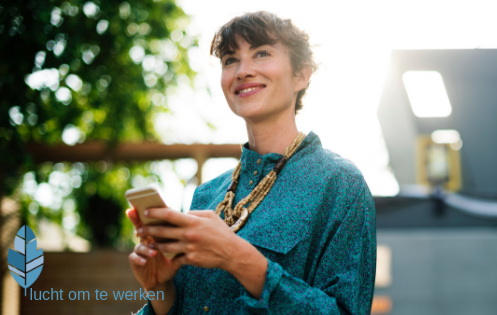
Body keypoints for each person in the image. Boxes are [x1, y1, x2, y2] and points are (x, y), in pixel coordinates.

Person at [127, 11, 377, 315]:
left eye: (261, 53)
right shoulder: (206, 196)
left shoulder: (340, 184)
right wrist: (160, 290)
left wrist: (237, 257)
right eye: (231, 59)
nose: (243, 71)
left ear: (301, 75)